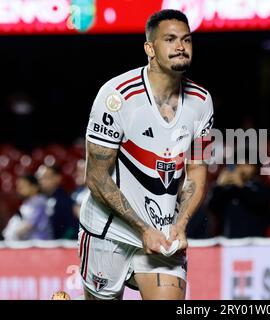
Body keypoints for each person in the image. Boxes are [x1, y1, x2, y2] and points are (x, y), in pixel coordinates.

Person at [79, 9, 213, 300]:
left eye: (187, 40)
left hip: (163, 234)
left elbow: (197, 169)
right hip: (108, 231)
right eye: (170, 39)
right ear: (150, 49)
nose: (181, 47)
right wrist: (141, 229)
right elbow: (97, 176)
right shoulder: (117, 96)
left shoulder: (202, 102)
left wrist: (181, 223)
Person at [209, 162, 270, 238]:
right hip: (229, 241)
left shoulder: (261, 187)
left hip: (254, 241)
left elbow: (258, 204)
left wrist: (240, 185)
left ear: (255, 168)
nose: (242, 169)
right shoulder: (228, 189)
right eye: (239, 165)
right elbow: (212, 208)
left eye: (247, 165)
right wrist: (219, 186)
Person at [2, 175, 52, 240]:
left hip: (40, 244)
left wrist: (12, 234)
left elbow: (29, 225)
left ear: (34, 187)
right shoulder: (27, 203)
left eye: (23, 187)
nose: (19, 190)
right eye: (19, 187)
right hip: (29, 242)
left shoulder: (39, 202)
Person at [36, 164, 78, 239]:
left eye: (45, 178)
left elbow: (72, 227)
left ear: (57, 178)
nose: (41, 182)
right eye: (39, 178)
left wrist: (62, 243)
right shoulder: (39, 200)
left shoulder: (65, 201)